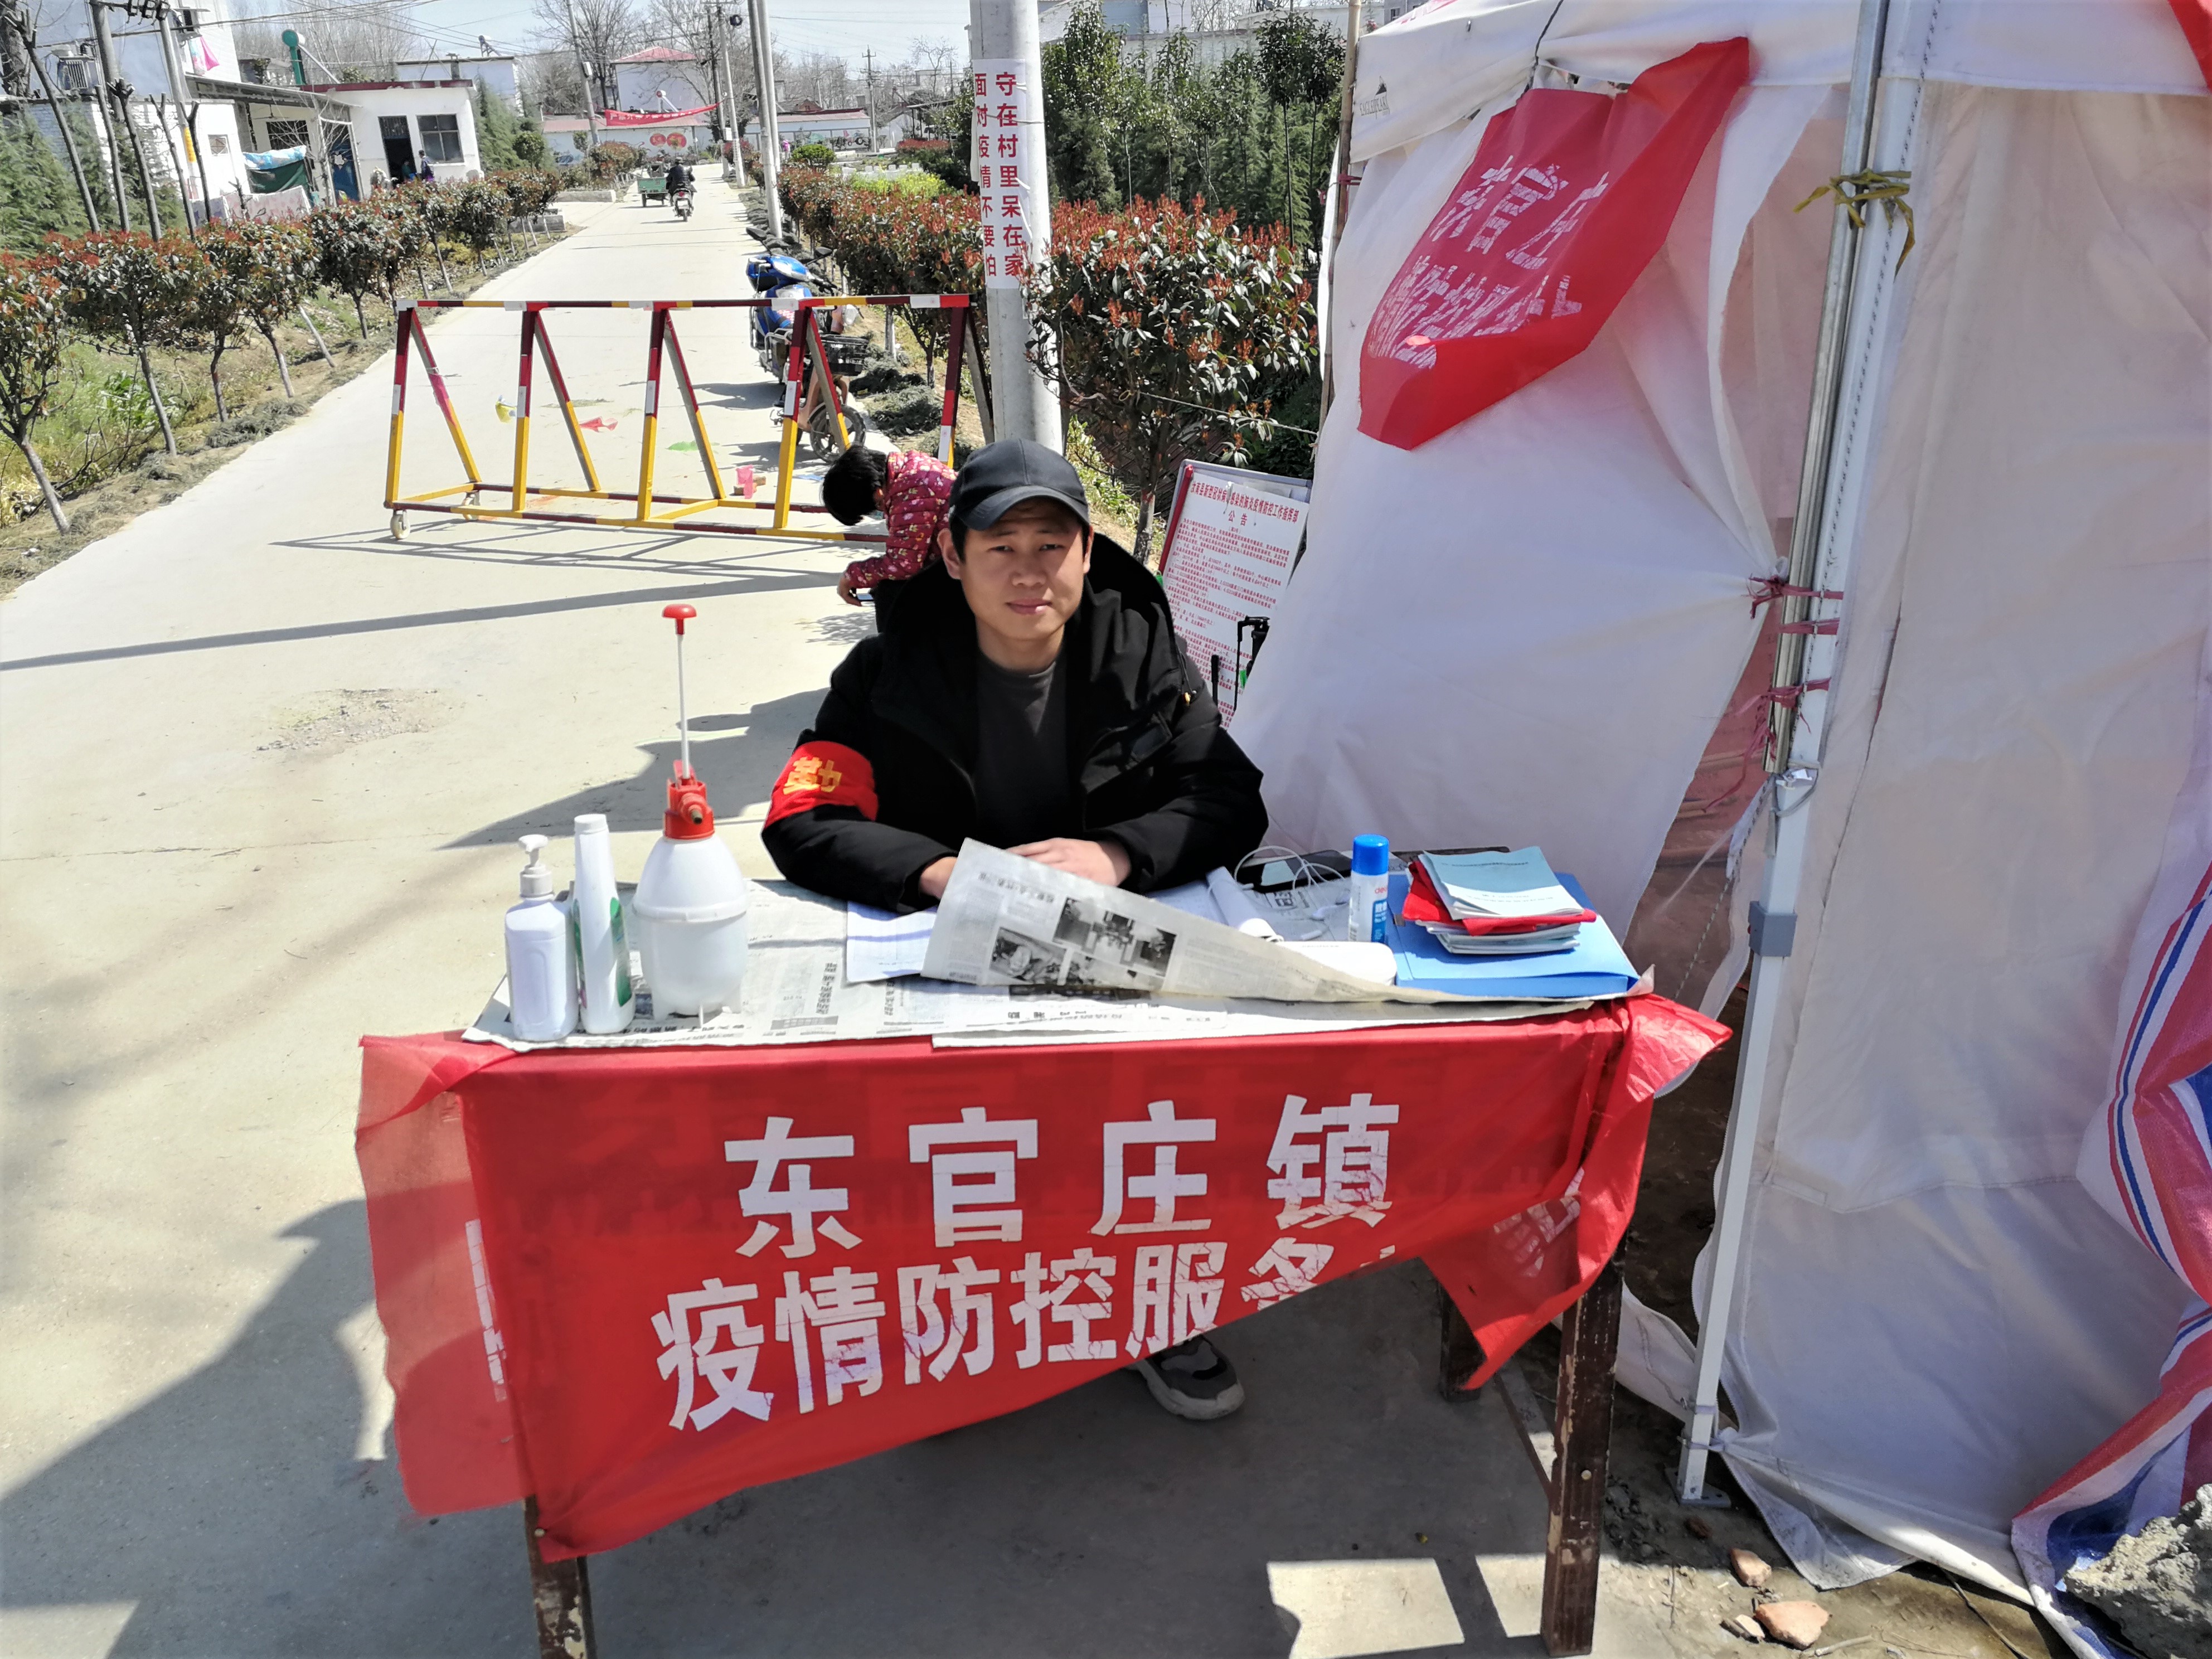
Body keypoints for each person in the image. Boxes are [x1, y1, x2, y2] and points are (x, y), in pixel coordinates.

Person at [763, 440, 1268, 1420]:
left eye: (1051, 545)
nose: (1028, 572)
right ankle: (940, 1319)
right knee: (952, 1154)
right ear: (953, 556)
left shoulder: (1144, 663)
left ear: (1087, 554)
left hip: (1101, 959)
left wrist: (1116, 854)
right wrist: (940, 873)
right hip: (942, 955)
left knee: (1134, 1139)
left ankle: (1147, 1308)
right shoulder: (885, 674)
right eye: (1001, 547)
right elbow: (804, 813)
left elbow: (1228, 796)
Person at [822, 443, 955, 622]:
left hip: (964, 573)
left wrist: (852, 576)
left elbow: (903, 565)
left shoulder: (911, 494)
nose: (881, 512)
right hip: (957, 559)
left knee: (889, 593)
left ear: (878, 494)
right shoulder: (910, 467)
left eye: (874, 508)